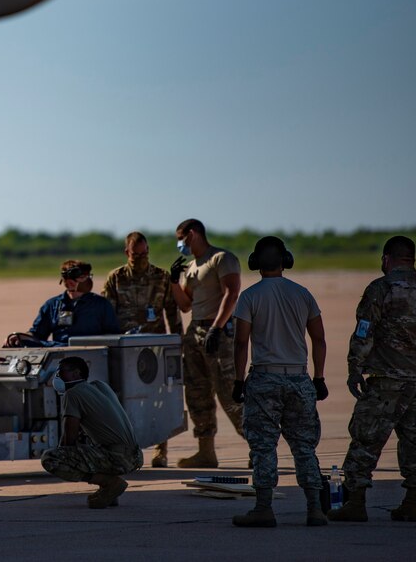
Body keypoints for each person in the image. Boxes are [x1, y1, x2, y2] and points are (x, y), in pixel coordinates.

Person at [328, 235, 416, 523]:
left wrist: (355, 368)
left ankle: (356, 502)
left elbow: (364, 332)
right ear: (412, 260)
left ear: (386, 259)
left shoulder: (381, 289)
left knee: (366, 438)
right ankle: (412, 502)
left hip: (387, 381)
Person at [229, 236, 329, 528]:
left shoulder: (250, 296)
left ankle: (263, 508)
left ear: (255, 262)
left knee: (263, 446)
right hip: (299, 377)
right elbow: (319, 339)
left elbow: (240, 343)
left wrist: (238, 380)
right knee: (304, 447)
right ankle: (315, 509)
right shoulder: (303, 294)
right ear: (286, 261)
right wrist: (319, 377)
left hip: (264, 378)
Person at [169, 218, 245, 467]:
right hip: (196, 331)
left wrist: (217, 328)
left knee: (229, 393)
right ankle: (206, 452)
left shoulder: (221, 259)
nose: (180, 243)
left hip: (218, 331)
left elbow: (231, 293)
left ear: (192, 234)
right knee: (197, 393)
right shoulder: (192, 266)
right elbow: (185, 304)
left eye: (181, 238)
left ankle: (259, 447)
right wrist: (173, 282)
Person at [102, 231, 180, 467]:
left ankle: (160, 450)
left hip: (155, 347)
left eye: (145, 253)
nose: (141, 258)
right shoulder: (115, 278)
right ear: (127, 253)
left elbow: (173, 313)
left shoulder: (161, 277)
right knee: (124, 398)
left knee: (160, 398)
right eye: (136, 254)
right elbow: (107, 315)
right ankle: (127, 448)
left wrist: (178, 344)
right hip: (126, 349)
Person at [41, 356, 144, 508]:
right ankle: (109, 492)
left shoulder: (73, 394)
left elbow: (68, 440)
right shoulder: (100, 386)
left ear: (76, 374)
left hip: (117, 457)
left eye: (62, 372)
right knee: (89, 442)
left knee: (51, 458)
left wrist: (64, 455)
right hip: (134, 456)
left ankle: (110, 483)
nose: (58, 377)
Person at [6, 260, 119, 347]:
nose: (87, 280)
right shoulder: (52, 305)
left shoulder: (101, 305)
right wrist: (20, 337)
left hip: (90, 354)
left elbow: (112, 337)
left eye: (86, 276)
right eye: (82, 277)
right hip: (58, 354)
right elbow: (37, 334)